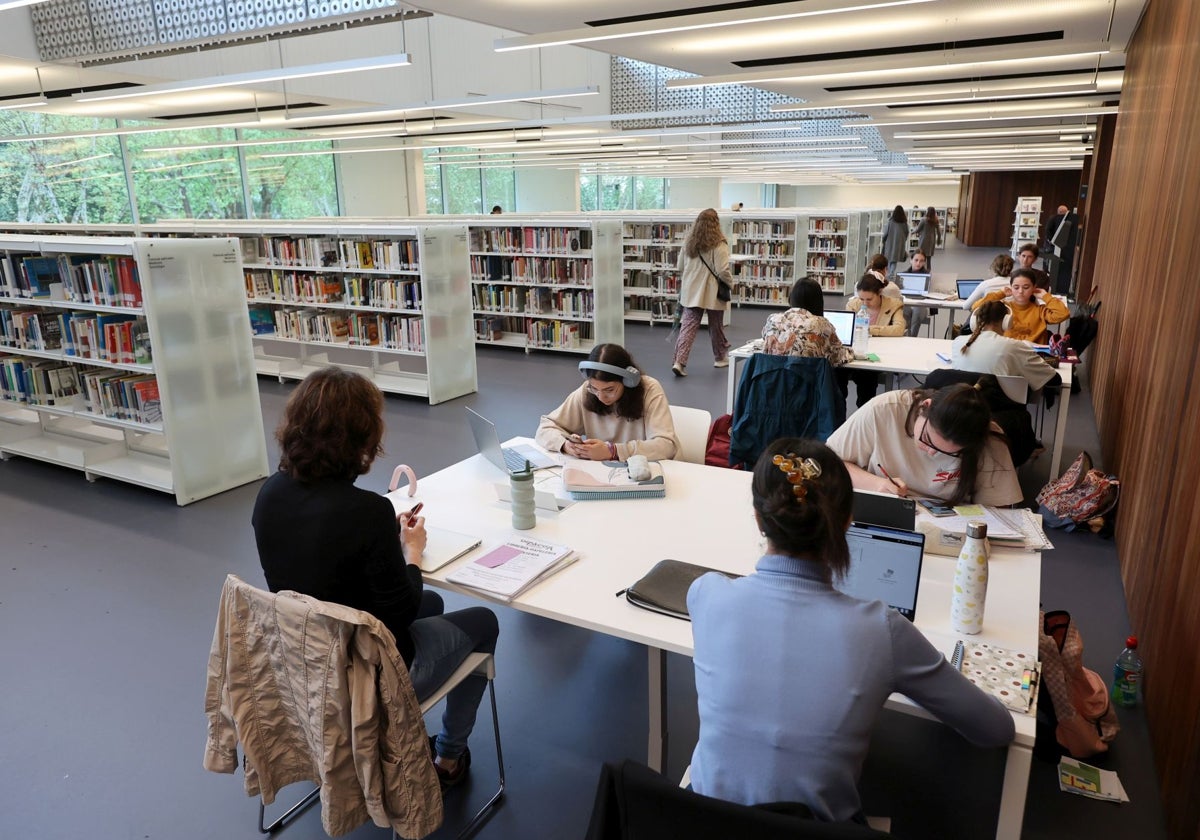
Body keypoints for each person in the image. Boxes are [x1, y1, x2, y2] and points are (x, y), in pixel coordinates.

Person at [687, 438, 1015, 821]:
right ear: (846, 522)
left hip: (703, 820)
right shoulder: (882, 630)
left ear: (759, 519)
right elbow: (995, 729)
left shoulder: (706, 595)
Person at [252, 367, 499, 788]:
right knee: (484, 622)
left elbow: (319, 559)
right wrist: (412, 552)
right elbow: (398, 612)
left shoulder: (270, 493)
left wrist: (386, 541)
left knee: (434, 605)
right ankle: (448, 759)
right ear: (362, 438)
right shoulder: (367, 512)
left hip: (304, 658)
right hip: (365, 673)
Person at [826, 382, 1022, 505]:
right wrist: (877, 484)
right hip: (885, 513)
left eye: (949, 453)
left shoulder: (989, 439)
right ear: (924, 406)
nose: (930, 452)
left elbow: (997, 512)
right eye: (927, 439)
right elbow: (829, 463)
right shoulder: (885, 410)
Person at [536, 342, 679, 461]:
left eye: (609, 390)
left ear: (628, 381)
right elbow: (546, 427)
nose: (601, 397)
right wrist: (565, 445)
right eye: (595, 388)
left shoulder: (650, 390)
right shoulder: (587, 390)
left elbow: (666, 446)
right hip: (606, 475)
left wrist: (613, 451)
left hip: (649, 471)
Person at [671, 208, 732, 375]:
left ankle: (679, 362)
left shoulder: (688, 242)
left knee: (688, 327)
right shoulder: (720, 244)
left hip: (691, 290)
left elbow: (680, 267)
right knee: (716, 326)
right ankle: (720, 358)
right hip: (712, 292)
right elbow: (723, 270)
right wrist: (730, 284)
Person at [838, 274, 905, 408]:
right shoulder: (853, 304)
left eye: (869, 299)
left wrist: (869, 329)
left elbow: (899, 328)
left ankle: (864, 411)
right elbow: (848, 328)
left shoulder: (893, 305)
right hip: (855, 352)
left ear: (879, 293)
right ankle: (838, 412)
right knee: (837, 372)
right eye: (861, 298)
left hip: (878, 353)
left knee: (867, 378)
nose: (864, 303)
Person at [761, 276, 854, 365]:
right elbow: (838, 356)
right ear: (818, 301)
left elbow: (765, 339)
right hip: (807, 380)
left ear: (791, 298)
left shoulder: (772, 320)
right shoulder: (822, 325)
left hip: (773, 379)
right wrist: (851, 352)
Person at [972, 268, 1069, 343]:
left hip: (1033, 357)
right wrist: (1001, 293)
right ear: (1011, 288)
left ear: (1034, 288)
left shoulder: (1040, 311)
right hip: (1008, 353)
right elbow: (976, 308)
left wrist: (1046, 297)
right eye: (1016, 287)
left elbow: (1063, 314)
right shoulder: (1004, 308)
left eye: (1026, 287)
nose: (1021, 291)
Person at [1043, 204, 1078, 295]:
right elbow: (1048, 230)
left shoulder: (1066, 221)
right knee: (1047, 265)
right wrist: (1051, 241)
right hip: (1051, 246)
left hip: (1062, 248)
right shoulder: (1053, 219)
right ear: (1060, 212)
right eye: (1064, 212)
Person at [880, 204, 909, 280]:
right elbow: (907, 232)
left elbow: (886, 232)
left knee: (889, 259)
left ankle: (890, 274)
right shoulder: (904, 222)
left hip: (890, 243)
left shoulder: (890, 221)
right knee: (894, 260)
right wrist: (903, 240)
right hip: (899, 244)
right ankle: (891, 274)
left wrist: (883, 240)